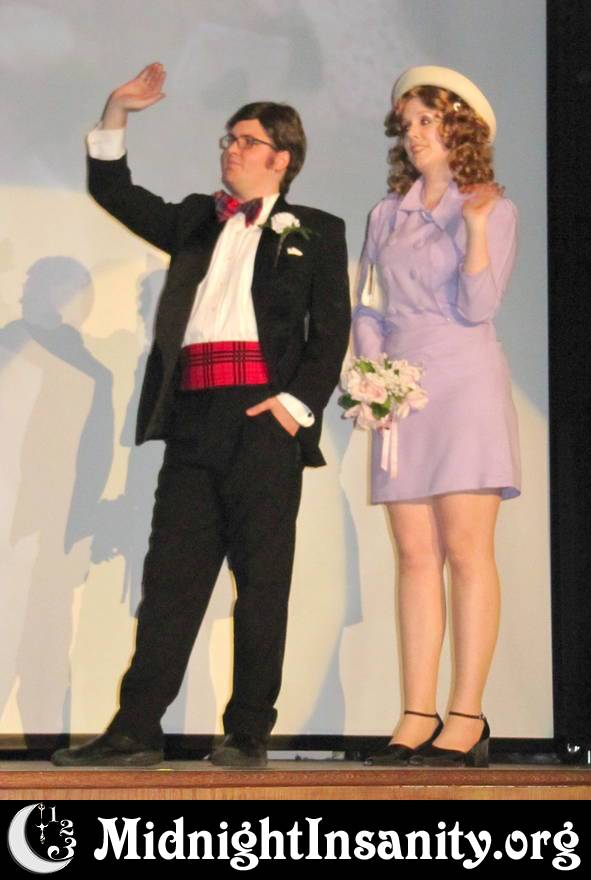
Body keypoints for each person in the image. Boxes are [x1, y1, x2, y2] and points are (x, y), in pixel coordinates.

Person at [52, 62, 350, 768]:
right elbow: (113, 190)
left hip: (262, 423)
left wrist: (293, 408)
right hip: (193, 417)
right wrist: (117, 109)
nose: (231, 149)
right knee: (170, 580)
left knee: (262, 583)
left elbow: (331, 328)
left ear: (282, 157)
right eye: (229, 139)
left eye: (246, 141)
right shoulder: (196, 220)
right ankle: (136, 728)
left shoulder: (315, 230)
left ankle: (248, 731)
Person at [353, 66, 520, 767]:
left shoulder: (489, 207)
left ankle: (467, 715)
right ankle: (417, 713)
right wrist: (373, 379)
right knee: (415, 556)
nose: (415, 134)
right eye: (409, 123)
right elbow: (368, 303)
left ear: (460, 127)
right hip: (402, 389)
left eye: (429, 120)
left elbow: (480, 306)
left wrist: (475, 227)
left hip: (464, 383)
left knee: (466, 552)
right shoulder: (385, 214)